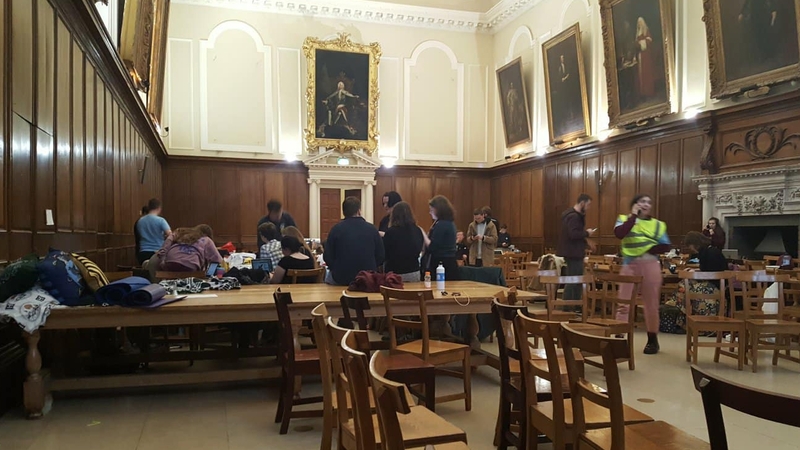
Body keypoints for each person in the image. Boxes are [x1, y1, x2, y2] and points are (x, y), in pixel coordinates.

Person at [614, 194, 671, 354]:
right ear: (635, 204)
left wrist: (645, 249)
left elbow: (665, 246)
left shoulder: (658, 224)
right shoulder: (624, 219)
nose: (646, 204)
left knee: (651, 304)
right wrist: (633, 216)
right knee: (623, 302)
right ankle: (619, 338)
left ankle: (652, 340)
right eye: (642, 201)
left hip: (650, 264)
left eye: (649, 202)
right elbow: (620, 234)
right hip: (629, 265)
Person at [663, 232, 729, 334]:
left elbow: (712, 274)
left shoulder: (709, 253)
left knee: (684, 285)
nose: (690, 248)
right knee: (684, 284)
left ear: (695, 243)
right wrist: (697, 271)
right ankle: (680, 314)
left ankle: (679, 313)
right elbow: (709, 270)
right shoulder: (710, 251)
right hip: (714, 283)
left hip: (715, 287)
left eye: (690, 246)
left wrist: (696, 273)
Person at [324, 197, 384, 286]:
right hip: (367, 278)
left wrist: (337, 267)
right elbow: (381, 256)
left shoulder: (336, 229)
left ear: (344, 212)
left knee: (326, 277)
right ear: (359, 211)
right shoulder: (372, 229)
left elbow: (327, 257)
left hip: (341, 277)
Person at [557, 194, 596, 301]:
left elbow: (574, 235)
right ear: (582, 203)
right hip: (573, 253)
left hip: (572, 252)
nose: (588, 208)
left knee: (575, 281)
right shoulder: (574, 216)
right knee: (574, 281)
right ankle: (569, 308)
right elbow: (573, 234)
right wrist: (587, 233)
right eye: (588, 205)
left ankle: (573, 306)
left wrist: (586, 241)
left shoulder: (571, 215)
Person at [382, 202, 425, 282]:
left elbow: (385, 254)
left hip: (394, 272)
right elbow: (419, 249)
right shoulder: (417, 230)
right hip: (413, 271)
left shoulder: (391, 232)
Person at [154, 226, 223, 272]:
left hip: (170, 261)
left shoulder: (180, 232)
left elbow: (166, 245)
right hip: (191, 265)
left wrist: (163, 260)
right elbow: (217, 260)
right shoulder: (207, 240)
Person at [423, 196, 459, 280]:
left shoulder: (441, 224)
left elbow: (433, 247)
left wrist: (423, 234)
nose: (430, 212)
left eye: (431, 210)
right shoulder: (449, 223)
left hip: (442, 263)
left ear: (438, 210)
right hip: (450, 262)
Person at [135, 198, 171, 265]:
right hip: (157, 252)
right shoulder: (161, 220)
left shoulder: (140, 221)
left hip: (143, 252)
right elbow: (170, 235)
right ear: (159, 208)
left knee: (145, 274)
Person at [635, 17, 657, 99]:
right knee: (642, 74)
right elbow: (636, 42)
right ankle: (643, 93)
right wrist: (638, 44)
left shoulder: (646, 30)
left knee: (647, 72)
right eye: (638, 23)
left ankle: (649, 91)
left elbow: (649, 40)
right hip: (641, 55)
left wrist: (642, 43)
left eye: (640, 22)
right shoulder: (638, 32)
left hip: (646, 54)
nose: (639, 24)